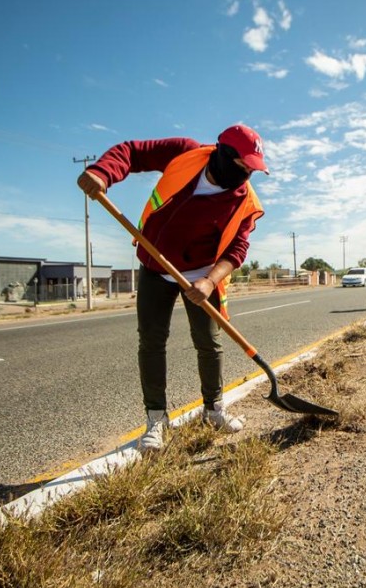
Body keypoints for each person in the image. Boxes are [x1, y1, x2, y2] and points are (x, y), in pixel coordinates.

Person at [76, 125, 269, 451]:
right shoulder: (186, 154)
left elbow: (238, 249)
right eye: (242, 166)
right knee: (152, 342)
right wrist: (102, 172)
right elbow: (133, 151)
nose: (246, 174)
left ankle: (214, 409)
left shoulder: (244, 201)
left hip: (203, 276)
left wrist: (209, 281)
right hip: (155, 264)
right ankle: (155, 420)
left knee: (209, 342)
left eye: (252, 169)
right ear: (222, 153)